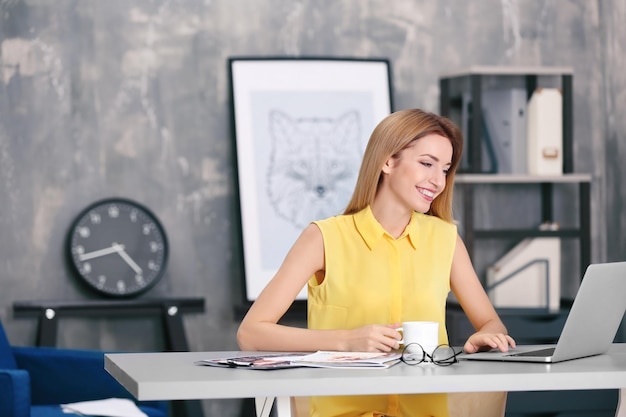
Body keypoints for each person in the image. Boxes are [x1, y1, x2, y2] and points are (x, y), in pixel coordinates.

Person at [237, 108, 516, 417]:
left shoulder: (446, 239)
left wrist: (485, 336)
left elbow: (492, 324)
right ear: (387, 161)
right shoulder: (323, 238)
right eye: (427, 164)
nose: (438, 181)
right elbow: (251, 334)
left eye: (445, 169)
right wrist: (346, 341)